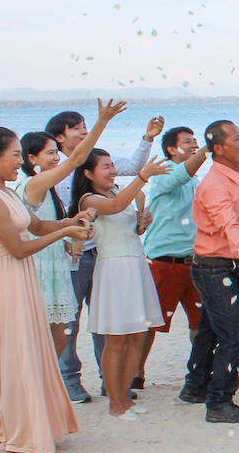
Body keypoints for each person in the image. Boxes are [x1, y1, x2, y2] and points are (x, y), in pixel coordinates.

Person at [0, 127, 91, 453]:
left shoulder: (7, 193)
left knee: (33, 353)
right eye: (16, 155)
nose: (21, 161)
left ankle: (18, 430)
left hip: (23, 279)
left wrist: (70, 221)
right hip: (7, 280)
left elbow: (36, 226)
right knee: (18, 358)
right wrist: (65, 233)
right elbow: (18, 249)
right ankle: (20, 445)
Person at [48, 107, 163, 404]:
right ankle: (71, 381)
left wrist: (148, 139)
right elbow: (107, 208)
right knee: (71, 322)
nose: (84, 131)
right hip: (78, 258)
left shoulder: (111, 184)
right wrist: (143, 177)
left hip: (110, 257)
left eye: (86, 125)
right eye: (77, 127)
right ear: (60, 137)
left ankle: (113, 387)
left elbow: (129, 178)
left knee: (119, 330)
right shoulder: (59, 173)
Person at [183, 121, 239, 423]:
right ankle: (219, 402)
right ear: (219, 148)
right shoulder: (214, 185)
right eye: (237, 139)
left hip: (223, 264)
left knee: (211, 330)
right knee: (234, 335)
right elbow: (231, 229)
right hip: (213, 267)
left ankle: (195, 387)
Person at [15, 98, 124, 354]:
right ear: (32, 158)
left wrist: (70, 224)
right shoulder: (35, 182)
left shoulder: (41, 185)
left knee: (59, 333)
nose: (56, 157)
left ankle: (50, 376)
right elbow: (76, 160)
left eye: (56, 152)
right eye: (50, 153)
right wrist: (102, 122)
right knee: (55, 335)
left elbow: (39, 224)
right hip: (43, 266)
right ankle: (50, 376)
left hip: (54, 261)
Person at [69, 149, 170, 420]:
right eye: (106, 166)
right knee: (116, 339)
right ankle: (115, 403)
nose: (113, 170)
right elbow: (114, 208)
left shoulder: (118, 193)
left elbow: (126, 222)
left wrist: (141, 225)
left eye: (113, 165)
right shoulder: (88, 199)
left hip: (136, 263)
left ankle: (125, 396)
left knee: (137, 336)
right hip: (114, 268)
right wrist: (143, 176)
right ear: (88, 173)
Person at [138, 125, 211, 387]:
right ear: (171, 149)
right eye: (188, 141)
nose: (194, 145)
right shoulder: (163, 172)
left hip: (195, 262)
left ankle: (200, 373)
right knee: (150, 322)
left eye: (196, 141)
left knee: (200, 323)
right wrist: (210, 146)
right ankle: (136, 372)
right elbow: (180, 175)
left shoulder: (194, 180)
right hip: (164, 262)